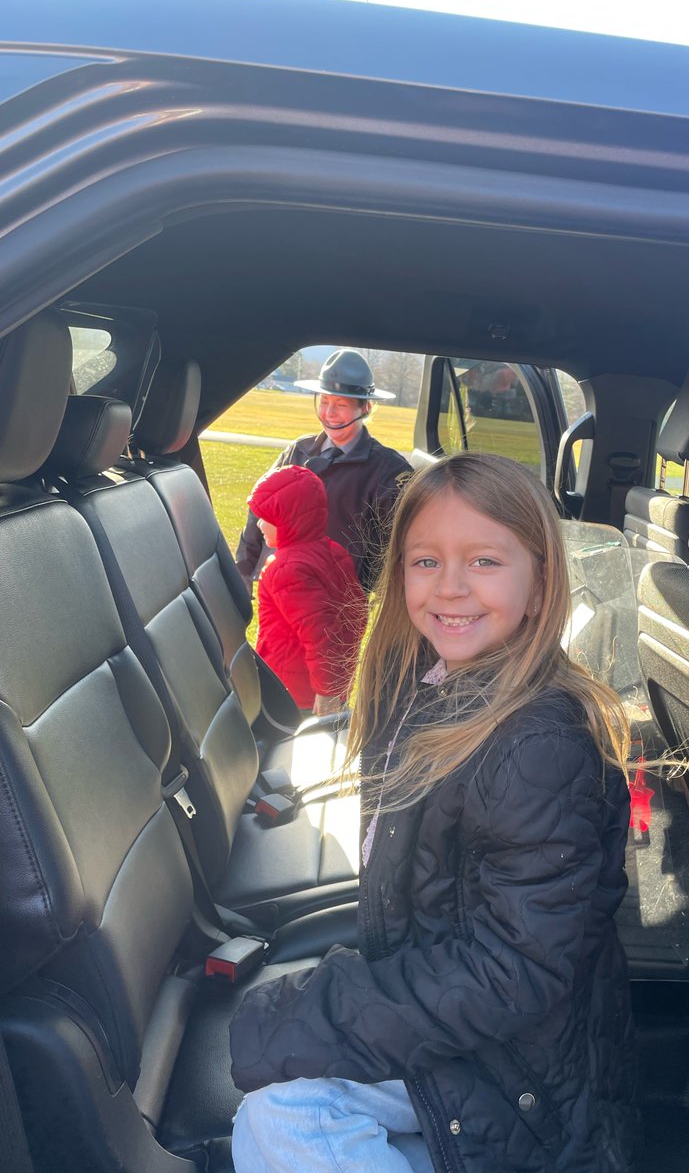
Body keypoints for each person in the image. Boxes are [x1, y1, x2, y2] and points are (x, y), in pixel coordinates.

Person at [229, 451, 639, 1173]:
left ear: (541, 586)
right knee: (270, 1105)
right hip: (467, 1022)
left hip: (523, 1078)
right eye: (425, 562)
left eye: (484, 561)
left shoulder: (541, 743)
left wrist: (318, 1011)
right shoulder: (425, 682)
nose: (450, 586)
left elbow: (513, 969)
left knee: (284, 1112)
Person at [236, 349, 413, 593]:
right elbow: (259, 511)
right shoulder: (298, 451)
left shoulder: (387, 470)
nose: (329, 413)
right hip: (279, 584)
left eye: (340, 404)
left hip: (335, 599)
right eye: (324, 402)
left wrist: (357, 587)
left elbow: (395, 543)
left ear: (366, 408)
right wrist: (244, 569)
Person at [248, 463, 367, 715]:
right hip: (326, 683)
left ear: (287, 519)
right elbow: (357, 615)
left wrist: (327, 693)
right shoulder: (334, 552)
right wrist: (338, 683)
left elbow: (321, 637)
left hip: (294, 691)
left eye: (267, 517)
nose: (259, 525)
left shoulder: (287, 570)